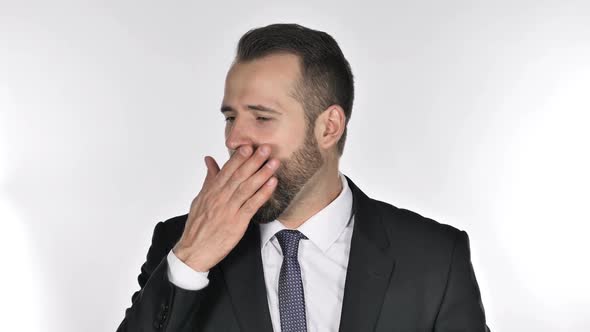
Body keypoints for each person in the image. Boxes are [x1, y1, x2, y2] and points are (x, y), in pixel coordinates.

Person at [116, 23, 490, 332]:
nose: (233, 140)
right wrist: (191, 260)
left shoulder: (435, 259)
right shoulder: (178, 244)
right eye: (231, 117)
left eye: (261, 117)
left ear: (328, 127)